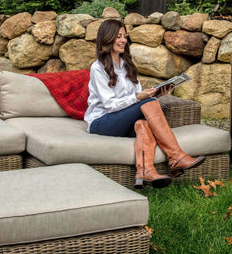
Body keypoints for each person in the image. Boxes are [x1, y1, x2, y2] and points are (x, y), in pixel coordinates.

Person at [84, 19, 205, 189]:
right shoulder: (97, 68)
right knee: (147, 103)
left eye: (124, 36)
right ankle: (176, 156)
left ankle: (145, 172)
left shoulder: (127, 65)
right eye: (118, 36)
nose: (123, 40)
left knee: (142, 123)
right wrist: (139, 97)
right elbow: (110, 105)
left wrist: (158, 94)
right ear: (107, 38)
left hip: (123, 120)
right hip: (102, 122)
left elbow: (139, 101)